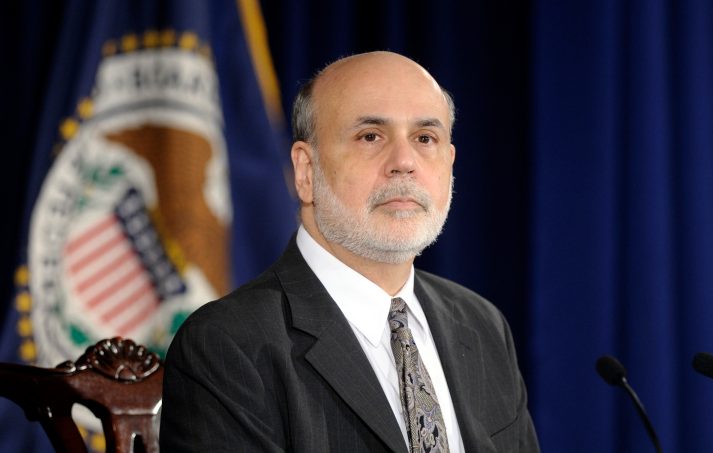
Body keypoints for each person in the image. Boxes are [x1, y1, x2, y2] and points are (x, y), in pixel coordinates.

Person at [160, 51, 539, 453]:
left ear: (449, 165)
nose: (405, 162)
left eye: (425, 138)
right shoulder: (228, 346)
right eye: (371, 136)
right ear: (306, 171)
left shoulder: (482, 325)